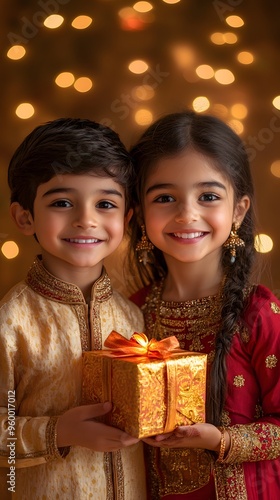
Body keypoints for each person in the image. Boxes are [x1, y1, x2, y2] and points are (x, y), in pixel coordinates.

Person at [128, 110, 280, 499]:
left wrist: (219, 440)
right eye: (165, 197)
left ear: (239, 210)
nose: (187, 214)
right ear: (140, 214)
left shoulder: (259, 313)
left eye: (208, 196)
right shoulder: (130, 315)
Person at [0, 118, 147, 499]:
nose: (86, 219)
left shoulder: (134, 316)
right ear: (24, 216)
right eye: (63, 203)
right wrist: (58, 432)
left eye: (105, 204)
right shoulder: (11, 321)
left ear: (126, 218)